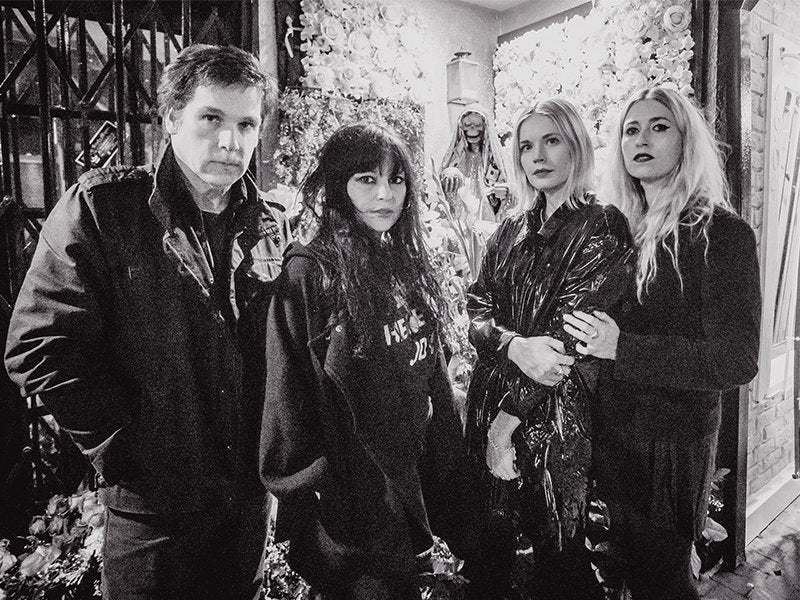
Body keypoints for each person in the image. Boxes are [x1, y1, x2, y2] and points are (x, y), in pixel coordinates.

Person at [5, 44, 292, 600]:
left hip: (246, 508)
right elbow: (39, 344)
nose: (231, 142)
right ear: (172, 119)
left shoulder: (269, 225)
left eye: (247, 124)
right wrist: (132, 452)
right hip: (154, 515)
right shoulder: (105, 210)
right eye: (212, 118)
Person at [563, 86, 761, 599]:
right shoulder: (618, 232)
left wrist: (621, 348)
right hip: (614, 436)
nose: (642, 140)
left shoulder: (723, 234)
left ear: (686, 140)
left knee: (663, 583)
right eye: (631, 130)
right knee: (630, 574)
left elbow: (736, 360)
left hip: (670, 449)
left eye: (659, 127)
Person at [260, 123, 469, 599]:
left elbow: (429, 375)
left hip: (406, 502)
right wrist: (324, 501)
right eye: (367, 179)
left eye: (396, 179)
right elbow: (287, 403)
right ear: (339, 184)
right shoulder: (310, 275)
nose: (385, 195)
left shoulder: (401, 262)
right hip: (353, 526)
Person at [462, 98, 632, 600]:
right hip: (491, 401)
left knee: (559, 560)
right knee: (488, 555)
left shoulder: (602, 225)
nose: (537, 155)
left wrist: (506, 423)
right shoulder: (511, 229)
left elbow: (570, 340)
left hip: (554, 415)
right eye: (526, 145)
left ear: (576, 146)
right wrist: (512, 344)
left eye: (551, 140)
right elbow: (475, 309)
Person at [440, 104, 512, 222]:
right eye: (467, 125)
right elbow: (442, 177)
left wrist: (502, 191)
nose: (472, 129)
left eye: (477, 125)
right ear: (461, 128)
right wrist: (449, 174)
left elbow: (508, 185)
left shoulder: (494, 158)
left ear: (485, 127)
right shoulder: (457, 155)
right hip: (460, 214)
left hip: (487, 213)